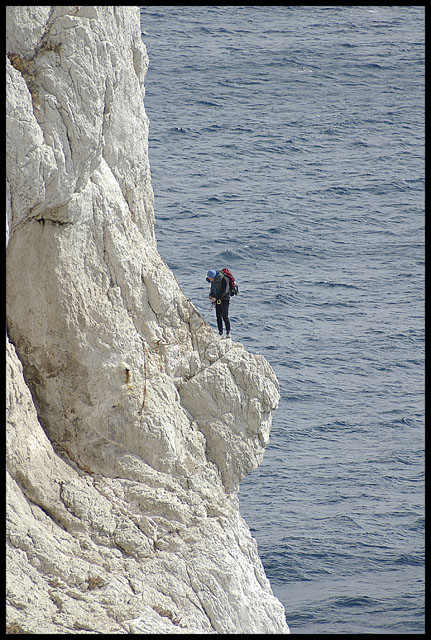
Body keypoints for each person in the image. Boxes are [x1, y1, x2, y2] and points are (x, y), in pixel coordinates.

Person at [206, 269, 231, 338]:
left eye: (210, 278)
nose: (209, 279)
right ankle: (220, 333)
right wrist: (211, 295)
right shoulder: (213, 280)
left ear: (213, 276)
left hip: (225, 299)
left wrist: (216, 298)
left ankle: (228, 332)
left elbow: (224, 291)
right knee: (218, 316)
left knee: (225, 316)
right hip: (217, 300)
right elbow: (212, 289)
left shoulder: (224, 279)